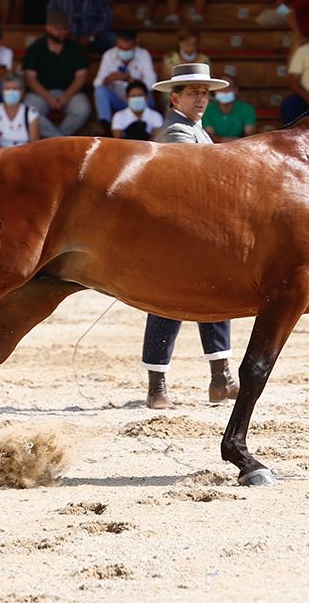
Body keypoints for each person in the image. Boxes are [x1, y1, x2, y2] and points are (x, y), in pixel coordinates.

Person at [142, 62, 238, 409]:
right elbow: (204, 174)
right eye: (194, 93)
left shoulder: (197, 129)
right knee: (168, 304)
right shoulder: (176, 132)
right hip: (176, 235)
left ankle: (220, 377)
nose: (201, 98)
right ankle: (157, 387)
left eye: (204, 93)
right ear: (175, 99)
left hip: (199, 233)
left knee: (214, 298)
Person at [21, 11, 92, 137]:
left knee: (83, 108)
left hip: (70, 93)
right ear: (48, 27)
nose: (62, 33)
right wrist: (48, 97)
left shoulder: (76, 48)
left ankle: (58, 140)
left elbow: (81, 76)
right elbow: (30, 78)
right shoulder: (35, 48)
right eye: (58, 29)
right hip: (42, 93)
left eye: (65, 29)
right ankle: (58, 140)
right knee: (28, 109)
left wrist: (66, 96)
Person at [93, 29, 156, 131]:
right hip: (118, 99)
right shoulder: (109, 55)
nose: (124, 51)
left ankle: (142, 127)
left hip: (137, 99)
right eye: (121, 48)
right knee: (100, 91)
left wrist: (130, 80)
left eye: (128, 49)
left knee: (149, 98)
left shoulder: (143, 54)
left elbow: (151, 83)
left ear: (135, 44)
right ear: (116, 44)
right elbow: (97, 83)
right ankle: (105, 125)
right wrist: (108, 79)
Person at [0, 73, 41, 149]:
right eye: (7, 89)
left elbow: (34, 143)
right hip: (1, 156)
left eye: (14, 89)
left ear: (22, 91)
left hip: (25, 156)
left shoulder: (31, 112)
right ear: (2, 91)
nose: (11, 92)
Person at [203, 74, 257, 142]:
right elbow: (209, 136)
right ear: (214, 91)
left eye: (228, 87)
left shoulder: (247, 109)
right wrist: (233, 141)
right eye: (220, 88)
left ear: (236, 90)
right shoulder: (207, 109)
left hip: (240, 148)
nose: (224, 90)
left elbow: (250, 136)